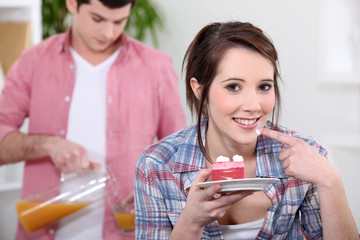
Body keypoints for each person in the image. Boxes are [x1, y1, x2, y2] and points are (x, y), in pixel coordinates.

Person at [134, 21, 359, 239]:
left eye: (264, 87)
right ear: (200, 90)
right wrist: (191, 222)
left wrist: (331, 182)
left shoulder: (305, 156)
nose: (253, 106)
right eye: (233, 87)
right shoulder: (156, 165)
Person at [0, 0, 186, 239]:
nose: (108, 32)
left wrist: (156, 189)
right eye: (97, 19)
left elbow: (180, 155)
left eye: (119, 21)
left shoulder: (156, 66)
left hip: (127, 231)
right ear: (71, 4)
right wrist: (47, 144)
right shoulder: (33, 61)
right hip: (43, 230)